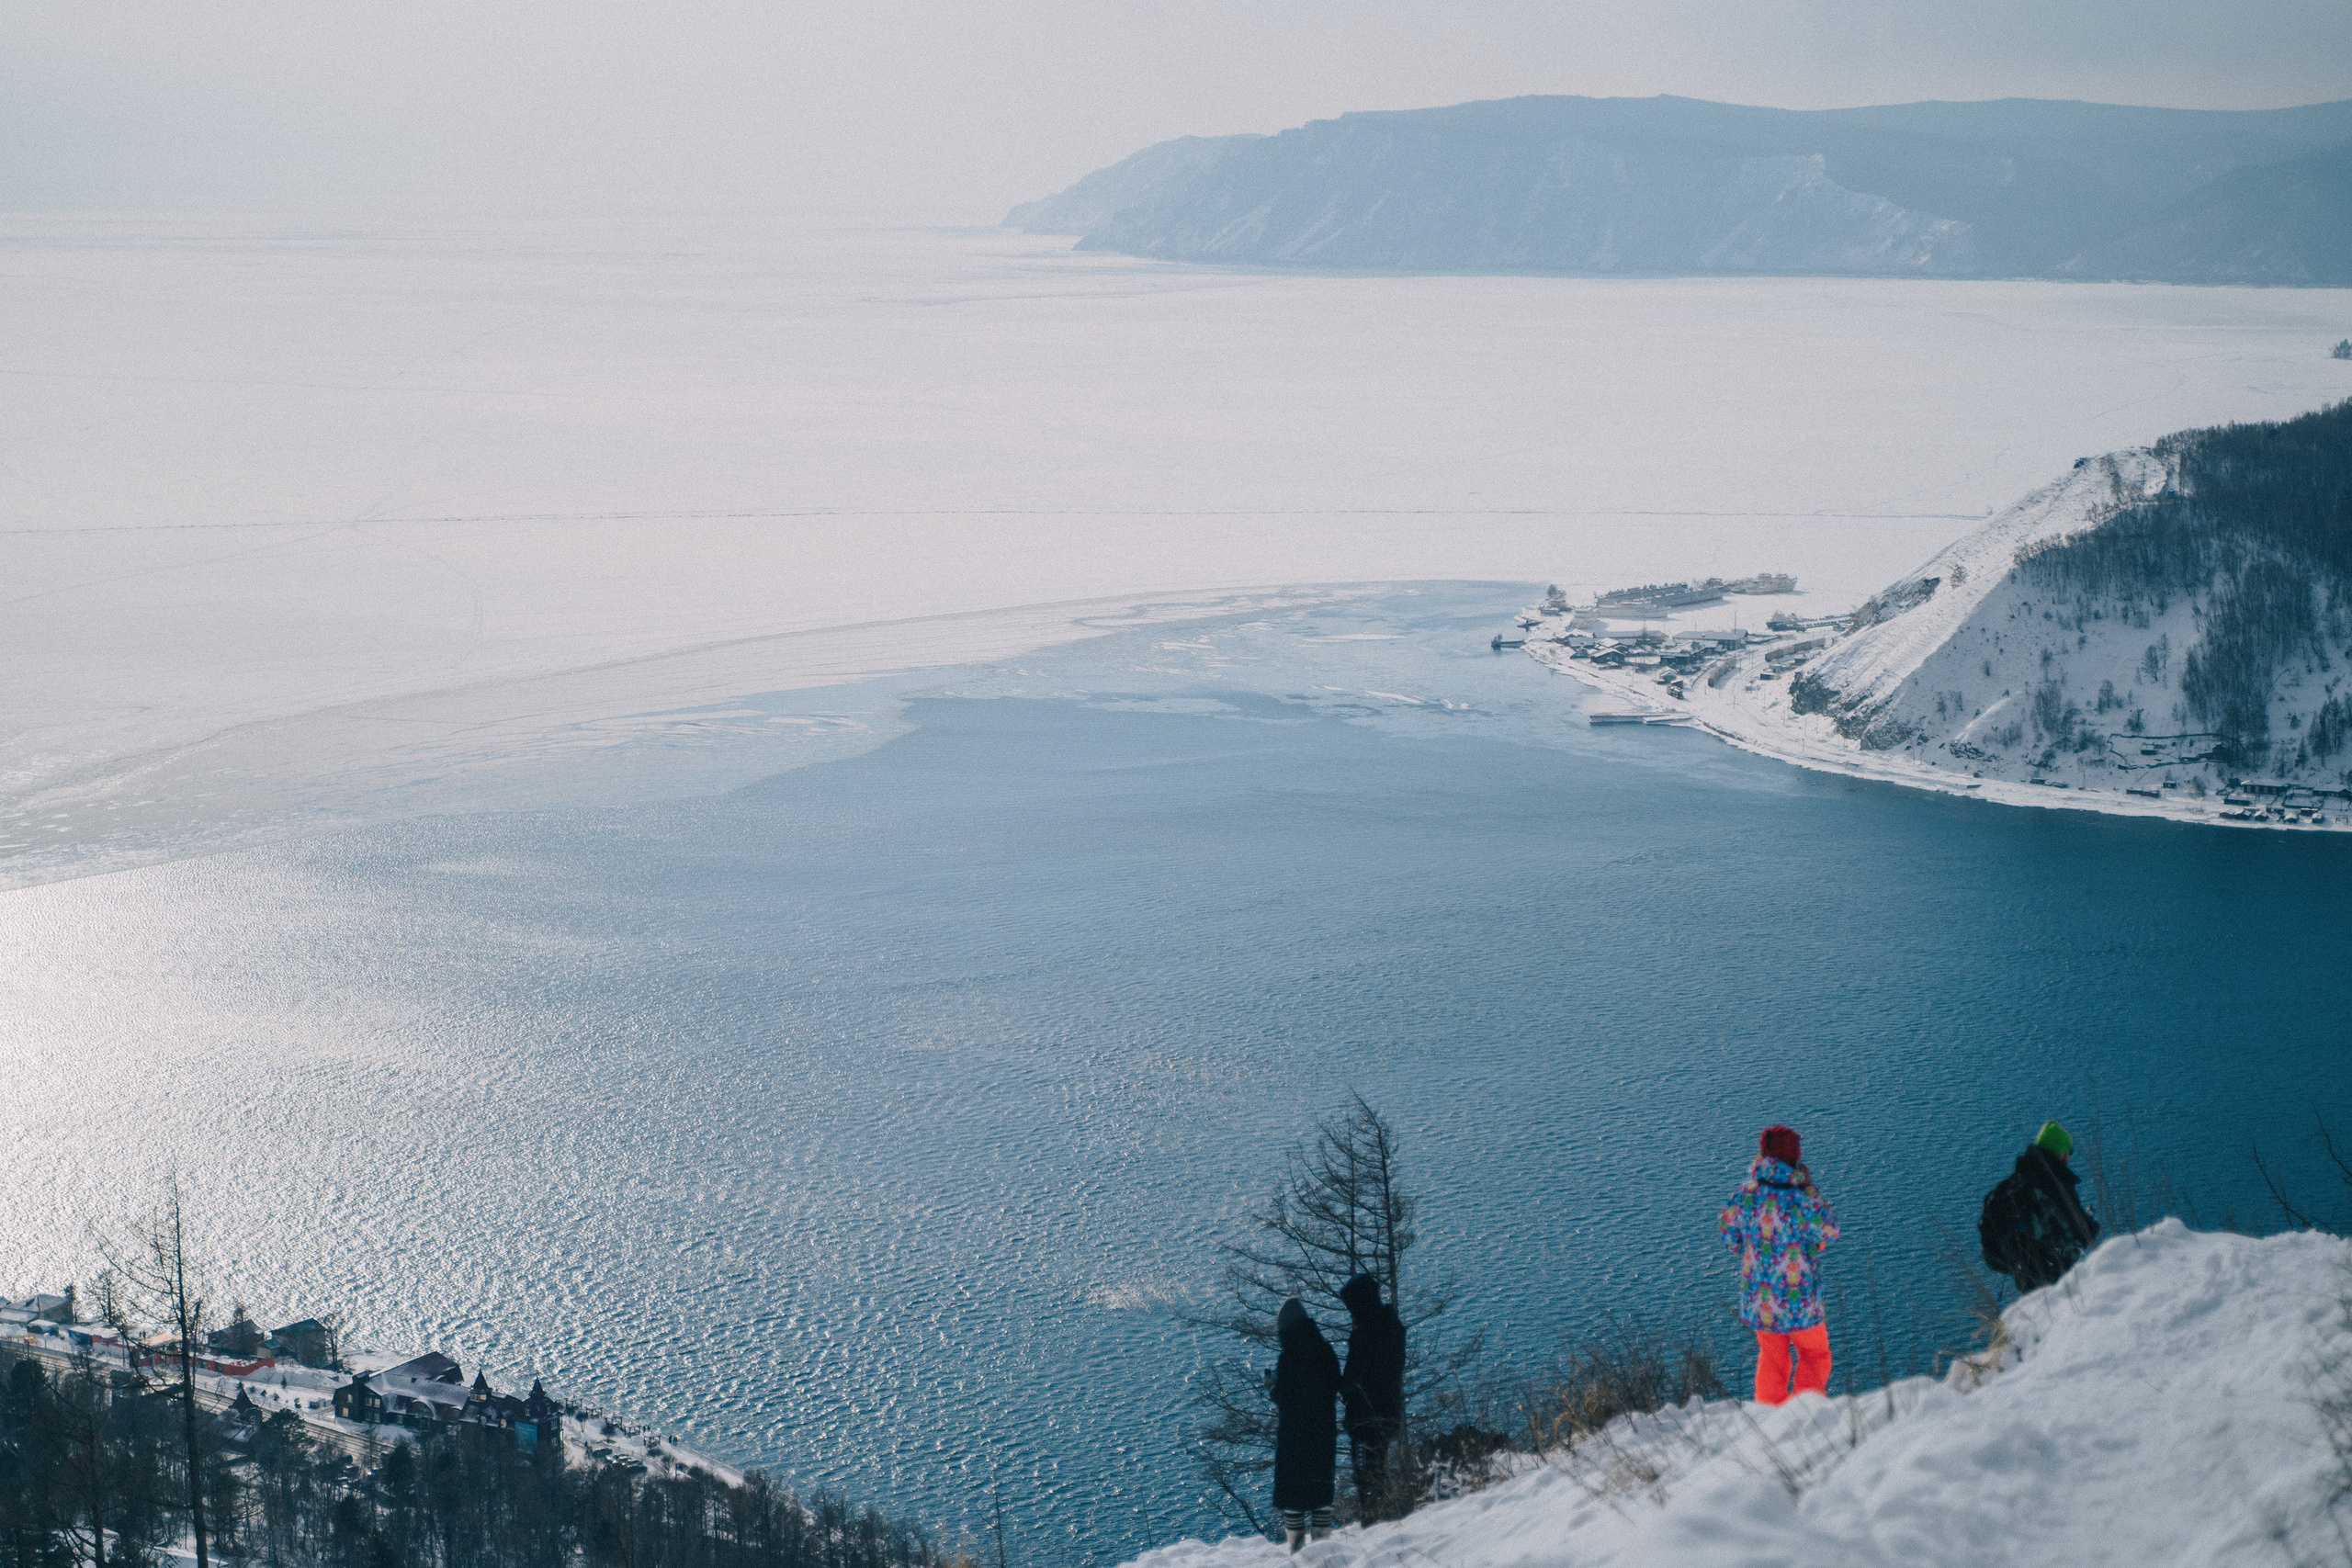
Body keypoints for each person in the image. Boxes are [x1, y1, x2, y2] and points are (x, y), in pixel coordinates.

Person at [1718, 1123, 1839, 1405]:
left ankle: (1769, 1416)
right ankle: (1803, 1414)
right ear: (1793, 1158)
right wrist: (1809, 1187)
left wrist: (1753, 1254)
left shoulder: (1745, 1195)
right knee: (1814, 1355)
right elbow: (1830, 1228)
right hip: (1800, 1300)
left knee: (1771, 1359)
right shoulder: (1799, 1200)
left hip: (1760, 1298)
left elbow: (1727, 1230)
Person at [1978, 1120, 2100, 1292]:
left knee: (2034, 1299)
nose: (2069, 1158)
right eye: (2067, 1152)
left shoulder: (2021, 1176)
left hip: (2013, 1253)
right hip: (2037, 1254)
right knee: (2050, 1297)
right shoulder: (2055, 1181)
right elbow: (2078, 1225)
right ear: (2059, 1152)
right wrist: (2091, 1228)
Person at [1269, 1297, 1342, 1552]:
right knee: (1321, 1490)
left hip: (1294, 1437)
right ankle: (1322, 1547)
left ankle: (1297, 1549)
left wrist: (1272, 1387)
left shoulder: (1288, 1359)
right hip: (1323, 1432)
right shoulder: (1325, 1351)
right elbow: (1336, 1384)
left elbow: (1283, 1398)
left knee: (1294, 1495)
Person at [1337, 1272, 1406, 1522]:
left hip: (1367, 1416)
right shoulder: (1392, 1326)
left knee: (1367, 1474)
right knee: (1379, 1465)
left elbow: (1351, 1380)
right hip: (1390, 1409)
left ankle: (1374, 1519)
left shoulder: (1366, 1334)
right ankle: (1386, 1512)